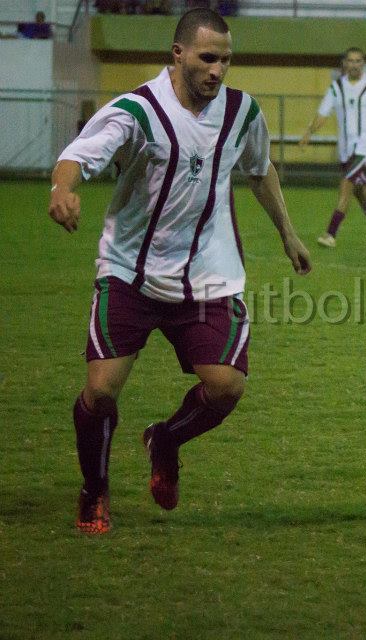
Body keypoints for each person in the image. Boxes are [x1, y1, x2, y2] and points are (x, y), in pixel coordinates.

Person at [47, 8, 312, 534]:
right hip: (131, 272)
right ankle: (94, 491)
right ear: (178, 54)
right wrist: (63, 188)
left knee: (227, 387)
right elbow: (78, 156)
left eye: (226, 60)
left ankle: (164, 440)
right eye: (207, 58)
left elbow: (260, 171)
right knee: (100, 393)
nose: (217, 70)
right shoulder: (139, 110)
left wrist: (288, 233)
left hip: (208, 276)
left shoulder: (240, 111)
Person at [299, 47, 366, 249]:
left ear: (363, 63)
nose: (354, 64)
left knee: (346, 185)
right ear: (344, 63)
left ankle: (330, 233)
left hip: (365, 148)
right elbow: (323, 114)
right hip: (345, 149)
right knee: (359, 191)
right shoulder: (336, 88)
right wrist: (309, 131)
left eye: (358, 61)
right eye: (351, 61)